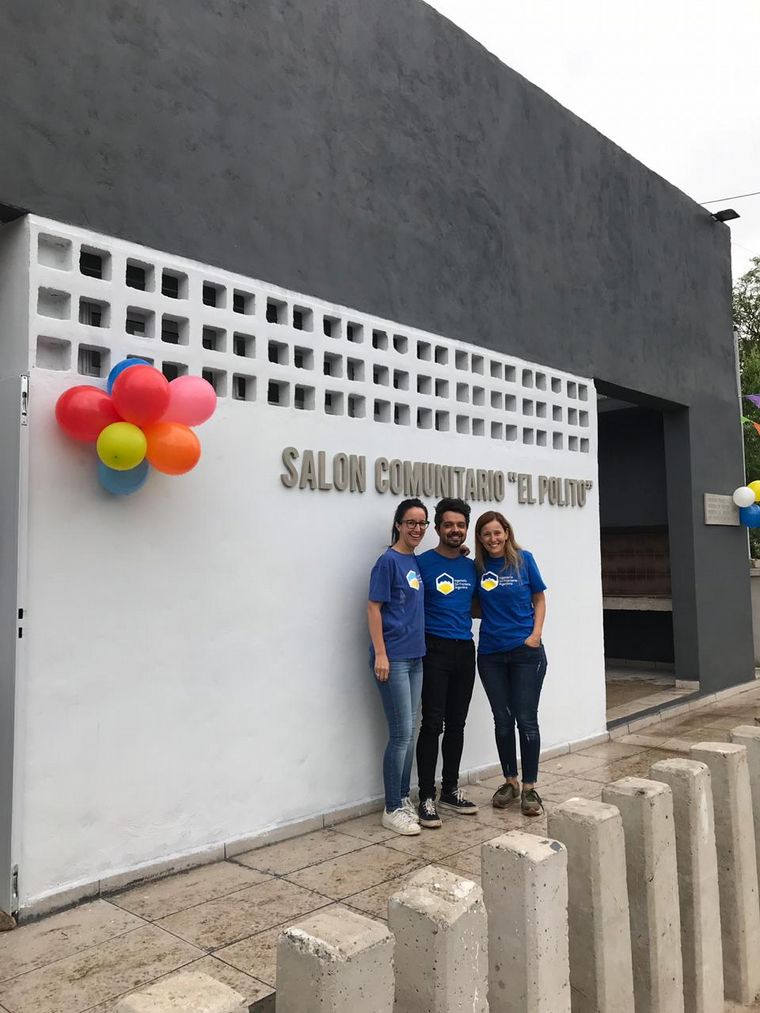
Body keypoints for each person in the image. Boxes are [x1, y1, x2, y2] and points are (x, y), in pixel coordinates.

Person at [474, 511, 547, 817]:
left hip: (525, 653)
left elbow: (539, 599)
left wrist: (535, 635)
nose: (493, 539)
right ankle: (510, 782)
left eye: (497, 532)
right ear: (480, 538)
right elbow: (475, 606)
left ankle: (530, 788)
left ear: (506, 532)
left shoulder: (523, 560)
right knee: (502, 721)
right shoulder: (476, 568)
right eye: (486, 534)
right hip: (491, 654)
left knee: (526, 720)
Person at [415, 498, 480, 828]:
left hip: (464, 649)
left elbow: (481, 604)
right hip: (433, 649)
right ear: (437, 528)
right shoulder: (422, 563)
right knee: (432, 724)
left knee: (458, 723)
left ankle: (450, 789)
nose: (455, 530)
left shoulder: (471, 566)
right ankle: (425, 795)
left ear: (465, 529)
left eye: (460, 525)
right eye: (449, 525)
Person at [367, 498, 429, 835]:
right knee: (401, 734)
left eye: (422, 523)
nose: (417, 529)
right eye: (411, 523)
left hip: (416, 657)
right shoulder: (387, 561)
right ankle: (391, 807)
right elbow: (374, 608)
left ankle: (403, 797)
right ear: (398, 524)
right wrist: (380, 653)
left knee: (412, 731)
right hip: (393, 660)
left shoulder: (414, 561)